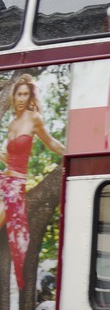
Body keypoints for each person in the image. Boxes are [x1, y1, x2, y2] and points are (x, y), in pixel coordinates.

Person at [1, 74, 65, 294]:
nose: (21, 98)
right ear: (14, 95)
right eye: (18, 94)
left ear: (30, 97)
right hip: (4, 178)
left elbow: (51, 142)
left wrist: (72, 154)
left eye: (25, 94)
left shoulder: (34, 118)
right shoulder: (11, 124)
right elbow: (9, 157)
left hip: (16, 184)